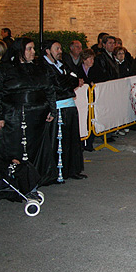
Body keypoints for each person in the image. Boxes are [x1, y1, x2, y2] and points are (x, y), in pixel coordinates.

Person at [0, 37, 58, 185]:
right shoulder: (4, 69)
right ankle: (15, 180)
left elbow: (49, 89)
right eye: (29, 49)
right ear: (20, 51)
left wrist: (52, 109)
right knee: (16, 149)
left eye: (33, 48)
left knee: (36, 148)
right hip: (14, 117)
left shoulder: (39, 68)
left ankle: (36, 177)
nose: (33, 52)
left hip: (37, 116)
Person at [40, 40, 87, 181]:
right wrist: (71, 81)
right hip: (58, 107)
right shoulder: (44, 67)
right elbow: (59, 84)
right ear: (48, 51)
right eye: (57, 48)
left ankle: (72, 169)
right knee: (60, 141)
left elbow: (74, 76)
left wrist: (70, 81)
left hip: (69, 105)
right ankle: (59, 172)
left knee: (72, 140)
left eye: (60, 48)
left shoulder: (61, 64)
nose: (60, 51)